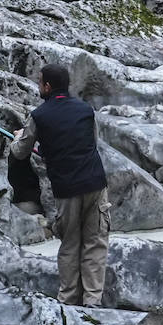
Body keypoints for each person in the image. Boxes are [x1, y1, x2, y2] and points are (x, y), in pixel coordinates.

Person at [10, 62, 109, 306]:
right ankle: (93, 302)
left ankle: (67, 301)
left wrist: (17, 138)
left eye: (40, 81)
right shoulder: (85, 109)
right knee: (95, 244)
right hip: (96, 184)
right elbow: (91, 142)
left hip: (66, 190)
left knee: (70, 245)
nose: (38, 85)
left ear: (48, 86)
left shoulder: (39, 116)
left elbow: (21, 152)